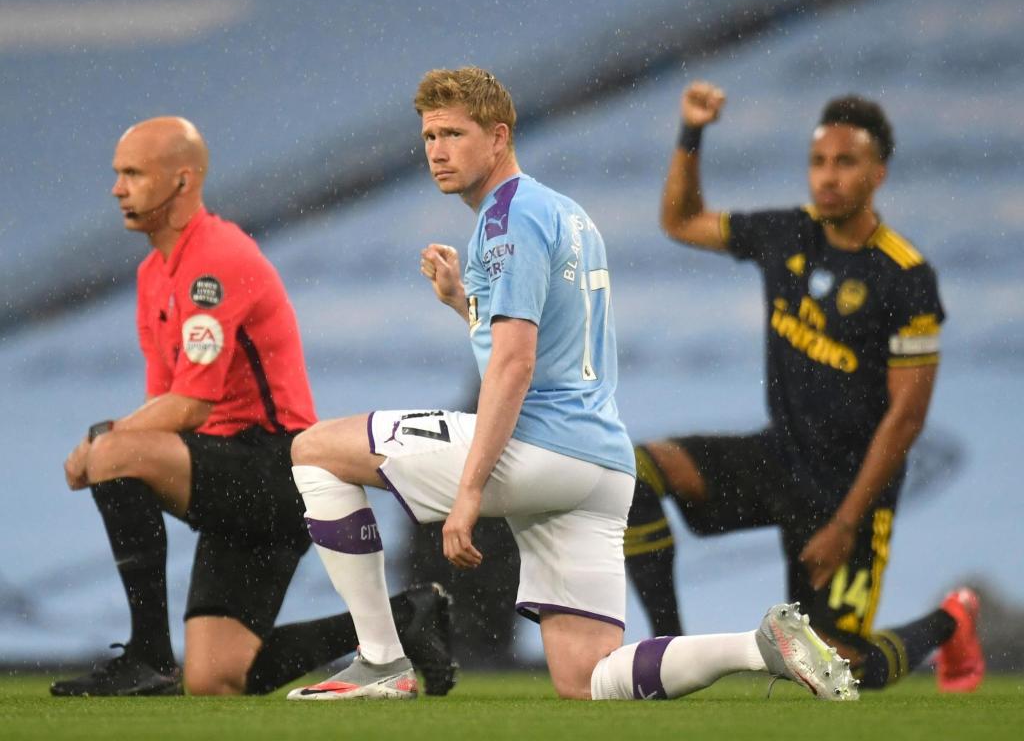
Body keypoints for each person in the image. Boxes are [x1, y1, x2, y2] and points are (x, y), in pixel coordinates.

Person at [285, 67, 856, 702]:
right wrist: (462, 302)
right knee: (587, 677)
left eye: (454, 134)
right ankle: (759, 646)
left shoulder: (506, 219)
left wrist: (468, 492)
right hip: (600, 465)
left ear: (498, 137)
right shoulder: (566, 213)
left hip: (540, 447)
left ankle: (381, 659)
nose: (437, 152)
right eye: (429, 137)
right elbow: (546, 336)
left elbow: (515, 364)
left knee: (315, 451)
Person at [52, 117, 456, 698]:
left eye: (134, 174)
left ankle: (147, 657)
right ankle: (405, 618)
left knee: (115, 454)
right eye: (118, 174)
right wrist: (112, 442)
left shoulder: (214, 258)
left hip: (274, 467)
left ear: (182, 180)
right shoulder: (152, 274)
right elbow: (163, 405)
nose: (118, 188)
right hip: (234, 480)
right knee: (216, 678)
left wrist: (101, 442)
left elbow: (191, 405)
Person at [623, 81, 984, 693]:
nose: (828, 176)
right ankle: (670, 655)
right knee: (635, 472)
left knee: (835, 674)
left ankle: (952, 620)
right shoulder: (787, 234)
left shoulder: (906, 277)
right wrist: (692, 132)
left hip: (851, 490)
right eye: (819, 161)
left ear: (878, 174)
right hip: (781, 458)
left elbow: (906, 418)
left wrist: (844, 523)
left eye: (846, 162)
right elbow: (679, 221)